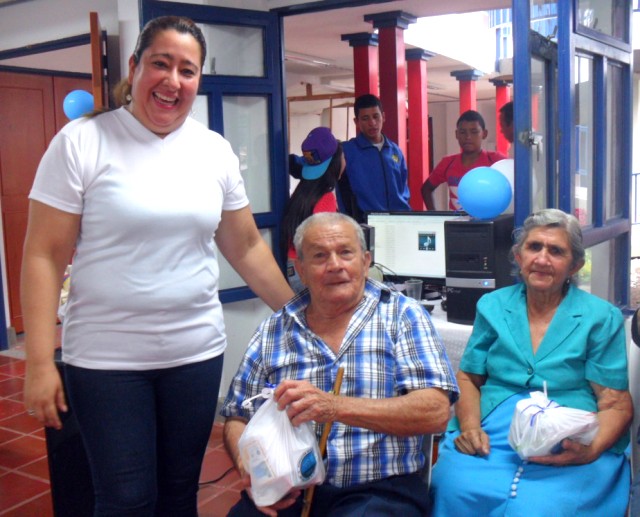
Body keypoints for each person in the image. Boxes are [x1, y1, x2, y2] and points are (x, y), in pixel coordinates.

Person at [20, 16, 294, 517]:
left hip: (195, 353)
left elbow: (247, 246)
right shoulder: (83, 141)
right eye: (160, 64)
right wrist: (39, 361)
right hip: (106, 361)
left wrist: (299, 316)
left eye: (187, 70)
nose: (173, 81)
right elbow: (43, 255)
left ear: (198, 83)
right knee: (125, 499)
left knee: (177, 494)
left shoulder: (212, 150)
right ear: (135, 66)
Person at [220, 212, 459, 517]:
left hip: (378, 488)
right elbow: (237, 415)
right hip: (288, 486)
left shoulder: (402, 315)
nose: (335, 265)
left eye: (346, 252)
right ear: (301, 271)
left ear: (365, 260)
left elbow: (435, 412)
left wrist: (333, 407)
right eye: (320, 256)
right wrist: (250, 468)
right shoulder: (275, 329)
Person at [430, 209, 632, 516]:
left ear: (575, 265)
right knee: (455, 487)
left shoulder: (601, 318)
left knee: (541, 506)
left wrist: (589, 450)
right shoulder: (493, 305)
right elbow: (469, 377)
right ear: (518, 256)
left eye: (556, 251)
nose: (541, 258)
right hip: (494, 426)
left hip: (570, 430)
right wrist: (469, 428)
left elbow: (615, 403)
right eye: (534, 247)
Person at [282, 127, 344, 293]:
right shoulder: (325, 198)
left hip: (293, 268)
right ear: (336, 162)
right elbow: (324, 243)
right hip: (309, 270)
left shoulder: (303, 193)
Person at [338, 94, 411, 223]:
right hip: (364, 225)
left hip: (399, 222)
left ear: (383, 117)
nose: (372, 123)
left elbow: (403, 190)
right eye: (365, 118)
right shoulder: (346, 151)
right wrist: (291, 162)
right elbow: (315, 163)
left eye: (376, 116)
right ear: (357, 122)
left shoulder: (395, 151)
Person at [422, 110, 506, 211]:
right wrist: (434, 216)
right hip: (456, 224)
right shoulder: (448, 163)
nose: (468, 137)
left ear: (484, 134)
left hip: (487, 224)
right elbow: (426, 189)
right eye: (463, 132)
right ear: (456, 134)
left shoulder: (495, 160)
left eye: (474, 132)